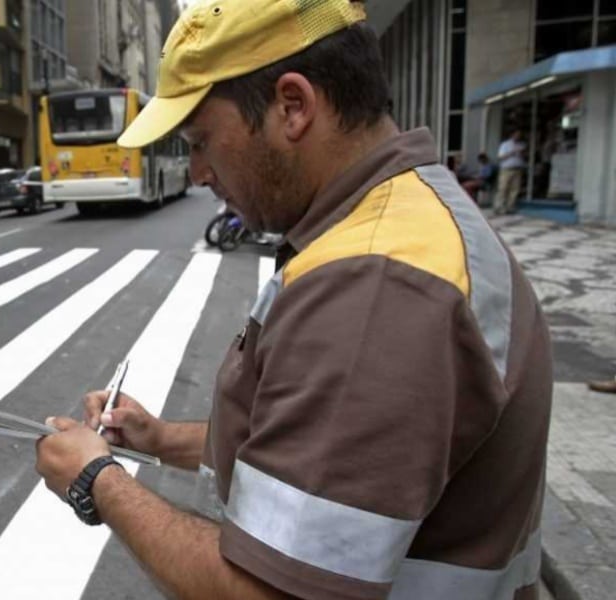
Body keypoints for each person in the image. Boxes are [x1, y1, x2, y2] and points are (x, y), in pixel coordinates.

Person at [33, 1, 553, 599]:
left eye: (202, 141)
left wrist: (97, 481)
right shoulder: (392, 222)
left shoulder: (373, 286)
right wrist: (157, 438)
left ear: (293, 106)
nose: (198, 172)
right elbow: (312, 446)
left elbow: (268, 591)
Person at [496, 130, 527, 214]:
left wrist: (522, 153)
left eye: (520, 135)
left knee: (515, 189)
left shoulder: (522, 145)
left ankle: (510, 206)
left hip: (517, 169)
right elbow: (500, 157)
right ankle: (500, 207)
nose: (518, 136)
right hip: (507, 169)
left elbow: (525, 157)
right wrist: (512, 152)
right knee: (503, 188)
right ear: (512, 134)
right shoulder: (505, 145)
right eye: (517, 134)